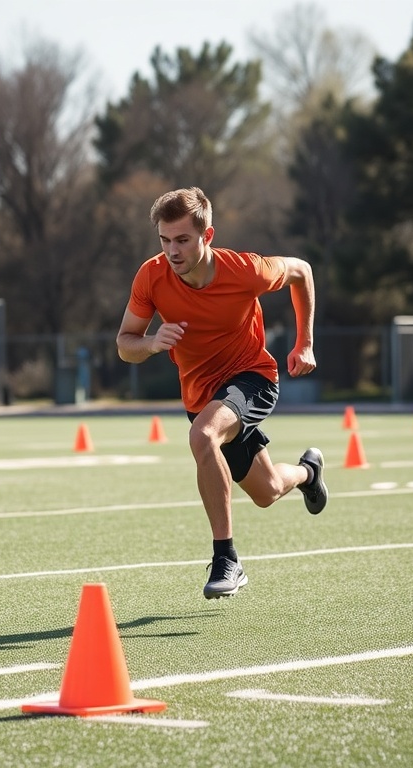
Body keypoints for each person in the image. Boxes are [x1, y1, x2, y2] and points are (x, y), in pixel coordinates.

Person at [116, 186, 328, 599]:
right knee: (266, 492)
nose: (172, 251)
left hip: (252, 377)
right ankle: (308, 472)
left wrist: (305, 342)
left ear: (206, 236)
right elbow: (126, 343)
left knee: (203, 436)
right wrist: (152, 342)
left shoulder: (246, 270)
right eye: (164, 239)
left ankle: (226, 558)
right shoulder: (151, 276)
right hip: (203, 396)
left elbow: (301, 270)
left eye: (182, 240)